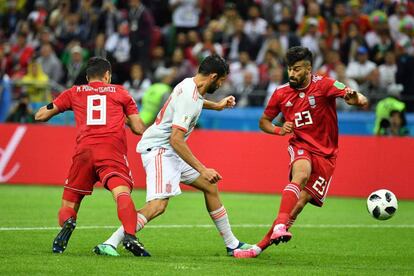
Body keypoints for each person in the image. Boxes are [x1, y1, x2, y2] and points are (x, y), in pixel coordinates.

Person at [93, 54, 252, 257]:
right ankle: (110, 243)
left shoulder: (188, 84)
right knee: (158, 205)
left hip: (168, 150)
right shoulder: (190, 96)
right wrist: (203, 169)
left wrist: (217, 105)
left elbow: (195, 103)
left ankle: (232, 244)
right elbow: (176, 140)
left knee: (209, 186)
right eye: (221, 80)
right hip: (160, 150)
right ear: (213, 76)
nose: (221, 84)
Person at [234, 46, 368, 258]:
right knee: (301, 174)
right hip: (301, 144)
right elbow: (263, 122)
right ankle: (279, 226)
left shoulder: (324, 84)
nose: (292, 74)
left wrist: (357, 99)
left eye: (297, 69)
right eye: (290, 69)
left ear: (308, 69)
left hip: (327, 154)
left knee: (298, 206)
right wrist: (279, 130)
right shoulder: (280, 93)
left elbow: (355, 96)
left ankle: (258, 248)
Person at [34, 57, 149, 256]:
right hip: (111, 150)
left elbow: (40, 115)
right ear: (107, 76)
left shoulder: (74, 92)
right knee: (121, 194)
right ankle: (130, 235)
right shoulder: (121, 92)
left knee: (69, 202)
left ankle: (68, 222)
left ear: (87, 78)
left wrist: (53, 105)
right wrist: (125, 119)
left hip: (84, 152)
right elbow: (139, 128)